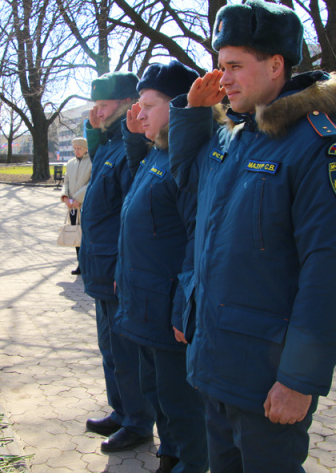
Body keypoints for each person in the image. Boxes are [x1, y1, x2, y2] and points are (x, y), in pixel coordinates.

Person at [168, 0, 336, 471]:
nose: (225, 79)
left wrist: (300, 379)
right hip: (216, 365)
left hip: (268, 379)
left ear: (276, 64)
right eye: (221, 66)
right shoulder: (232, 136)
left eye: (236, 66)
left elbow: (332, 272)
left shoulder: (321, 148)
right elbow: (187, 193)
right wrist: (193, 115)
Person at [115, 60, 208, 473]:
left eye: (150, 105)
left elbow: (196, 239)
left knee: (181, 403)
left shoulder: (188, 159)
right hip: (146, 302)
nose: (139, 113)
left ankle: (188, 461)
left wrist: (182, 307)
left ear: (181, 107)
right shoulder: (160, 152)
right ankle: (169, 457)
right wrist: (137, 137)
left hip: (170, 309)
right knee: (158, 392)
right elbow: (138, 204)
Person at [79, 71, 156, 452]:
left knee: (127, 353)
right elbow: (99, 159)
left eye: (105, 104)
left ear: (128, 104)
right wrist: (94, 129)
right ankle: (121, 410)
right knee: (110, 348)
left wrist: (123, 269)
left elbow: (132, 213)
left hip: (114, 270)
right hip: (98, 265)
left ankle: (139, 422)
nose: (98, 109)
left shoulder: (132, 147)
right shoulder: (111, 143)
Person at [61, 137, 92, 275]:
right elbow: (66, 181)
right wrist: (65, 197)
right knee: (76, 236)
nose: (76, 151)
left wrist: (78, 198)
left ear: (86, 148)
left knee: (86, 236)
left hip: (85, 205)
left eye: (79, 148)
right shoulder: (70, 163)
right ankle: (80, 264)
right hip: (73, 207)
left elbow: (91, 183)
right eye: (74, 148)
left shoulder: (92, 162)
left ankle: (88, 265)